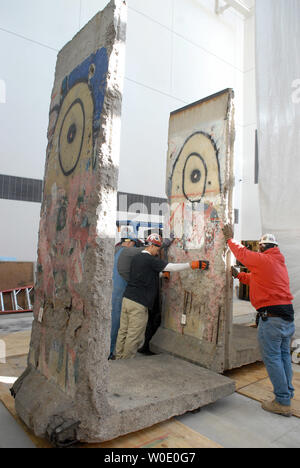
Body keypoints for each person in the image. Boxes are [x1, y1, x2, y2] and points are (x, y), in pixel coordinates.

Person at [223, 224, 295, 417]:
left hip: (271, 319)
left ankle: (282, 402)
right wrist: (239, 275)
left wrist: (230, 239)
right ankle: (287, 395)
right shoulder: (277, 263)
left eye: (259, 247)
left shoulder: (264, 260)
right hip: (286, 318)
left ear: (262, 247)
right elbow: (257, 279)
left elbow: (244, 255)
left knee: (272, 359)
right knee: (284, 357)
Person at [115, 233, 209, 360]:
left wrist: (160, 275)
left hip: (127, 299)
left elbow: (142, 275)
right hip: (138, 303)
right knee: (134, 335)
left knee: (123, 332)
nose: (158, 252)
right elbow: (171, 267)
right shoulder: (150, 259)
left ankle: (119, 358)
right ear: (152, 246)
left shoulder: (137, 258)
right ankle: (126, 363)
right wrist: (191, 265)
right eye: (158, 249)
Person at [109, 233, 143, 359]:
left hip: (109, 290)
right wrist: (164, 243)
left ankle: (108, 350)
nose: (134, 246)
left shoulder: (114, 249)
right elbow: (148, 250)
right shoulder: (128, 251)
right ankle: (110, 352)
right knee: (116, 323)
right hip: (118, 292)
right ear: (129, 242)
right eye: (134, 244)